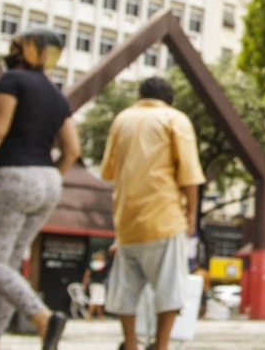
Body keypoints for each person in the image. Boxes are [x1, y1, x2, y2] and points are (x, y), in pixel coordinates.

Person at [0, 28, 81, 350]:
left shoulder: (12, 80)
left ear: (27, 49)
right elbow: (71, 150)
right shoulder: (58, 96)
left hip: (9, 175)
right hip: (48, 181)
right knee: (8, 265)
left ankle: (42, 318)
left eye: (16, 45)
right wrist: (46, 176)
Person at [100, 77, 205, 350]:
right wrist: (192, 216)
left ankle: (131, 344)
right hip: (164, 217)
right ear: (169, 98)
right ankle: (160, 345)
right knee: (170, 290)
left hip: (126, 222)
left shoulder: (121, 120)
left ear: (140, 95)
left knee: (125, 290)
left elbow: (108, 171)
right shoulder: (175, 119)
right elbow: (190, 174)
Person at [82, 249, 108, 320]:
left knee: (99, 300)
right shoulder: (95, 264)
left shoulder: (104, 264)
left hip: (100, 284)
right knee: (94, 300)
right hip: (95, 284)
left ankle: (101, 316)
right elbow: (87, 273)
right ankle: (88, 316)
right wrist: (84, 283)